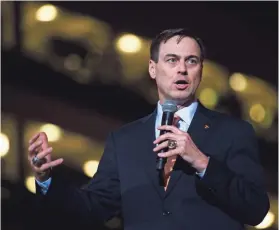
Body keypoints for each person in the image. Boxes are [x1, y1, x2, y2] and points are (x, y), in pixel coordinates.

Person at [28, 28, 269, 230]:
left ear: (201, 71)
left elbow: (256, 209)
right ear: (153, 69)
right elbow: (91, 208)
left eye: (191, 61)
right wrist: (46, 179)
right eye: (172, 60)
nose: (182, 69)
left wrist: (202, 162)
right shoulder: (124, 140)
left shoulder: (233, 132)